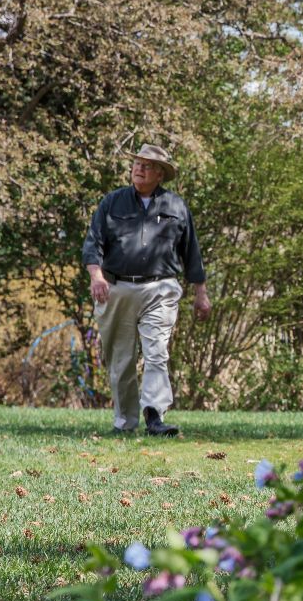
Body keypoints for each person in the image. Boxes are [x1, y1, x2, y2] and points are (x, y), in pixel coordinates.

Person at [81, 143, 211, 437]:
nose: (140, 169)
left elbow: (192, 254)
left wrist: (201, 294)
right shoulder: (112, 202)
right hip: (116, 288)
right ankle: (125, 422)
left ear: (160, 175)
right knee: (121, 358)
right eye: (138, 163)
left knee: (157, 352)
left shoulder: (176, 207)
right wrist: (96, 276)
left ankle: (154, 415)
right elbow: (93, 243)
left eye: (148, 165)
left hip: (161, 288)